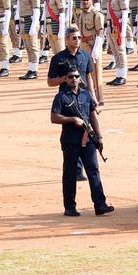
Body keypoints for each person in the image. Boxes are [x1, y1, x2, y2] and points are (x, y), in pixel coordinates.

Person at [50, 67, 113, 217]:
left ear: (80, 79)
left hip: (88, 138)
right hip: (70, 140)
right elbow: (54, 117)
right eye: (70, 77)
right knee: (70, 174)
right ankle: (70, 207)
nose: (73, 79)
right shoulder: (61, 97)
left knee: (93, 171)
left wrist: (99, 137)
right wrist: (72, 119)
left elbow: (92, 116)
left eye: (76, 76)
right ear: (66, 79)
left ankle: (100, 205)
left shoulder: (86, 95)